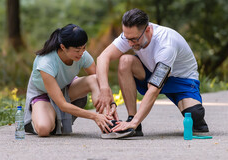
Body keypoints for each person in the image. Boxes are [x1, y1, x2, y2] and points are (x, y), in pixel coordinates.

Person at [96, 8, 209, 137]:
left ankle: (134, 123)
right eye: (127, 38)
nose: (129, 43)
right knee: (125, 60)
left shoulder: (166, 45)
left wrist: (135, 121)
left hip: (182, 81)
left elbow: (154, 88)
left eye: (133, 39)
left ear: (148, 30)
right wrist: (105, 88)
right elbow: (102, 57)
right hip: (150, 72)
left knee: (195, 116)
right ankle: (134, 124)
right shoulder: (130, 35)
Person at [23, 24, 113, 137]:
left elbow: (100, 81)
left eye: (84, 48)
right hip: (43, 94)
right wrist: (94, 116)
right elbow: (62, 104)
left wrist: (112, 103)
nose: (81, 53)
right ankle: (43, 116)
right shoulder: (46, 62)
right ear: (63, 47)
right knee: (43, 129)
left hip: (66, 88)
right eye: (77, 50)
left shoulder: (82, 55)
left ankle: (109, 123)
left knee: (95, 79)